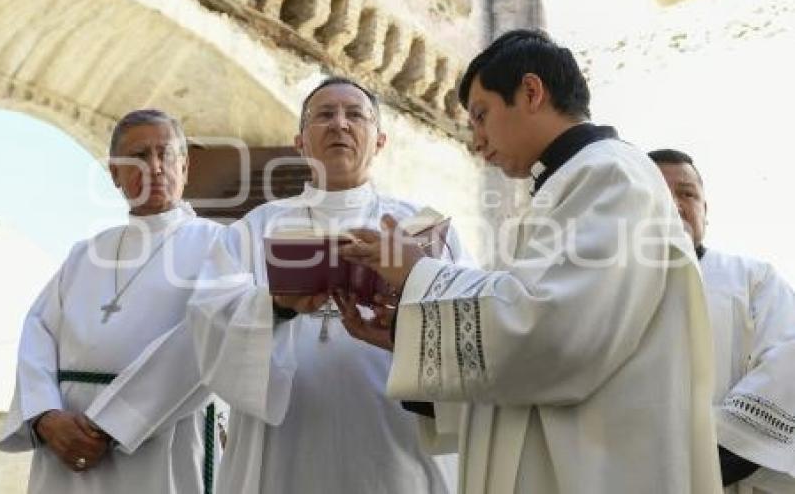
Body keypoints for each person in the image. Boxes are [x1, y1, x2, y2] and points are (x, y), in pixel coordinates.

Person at [336, 29, 722, 493]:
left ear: (531, 92)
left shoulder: (611, 175)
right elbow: (518, 354)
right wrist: (409, 333)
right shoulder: (560, 189)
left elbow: (554, 333)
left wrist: (418, 273)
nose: (477, 141)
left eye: (482, 116)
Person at [187, 76, 472, 494]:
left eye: (355, 115)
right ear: (300, 142)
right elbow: (207, 319)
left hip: (394, 440)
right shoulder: (254, 228)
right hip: (284, 443)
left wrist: (405, 312)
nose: (340, 124)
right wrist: (277, 306)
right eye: (324, 115)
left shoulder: (419, 229)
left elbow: (468, 323)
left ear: (379, 140)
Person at [0, 109, 223, 494]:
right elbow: (37, 332)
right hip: (64, 443)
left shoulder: (220, 244)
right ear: (115, 173)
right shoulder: (85, 254)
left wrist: (114, 422)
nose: (153, 166)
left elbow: (212, 337)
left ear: (184, 168)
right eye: (137, 156)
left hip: (162, 440)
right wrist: (45, 417)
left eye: (165, 154)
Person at [650, 148, 795, 494]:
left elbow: (788, 362)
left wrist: (714, 462)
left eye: (686, 193)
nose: (674, 205)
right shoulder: (605, 290)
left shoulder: (752, 279)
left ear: (705, 211)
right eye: (657, 193)